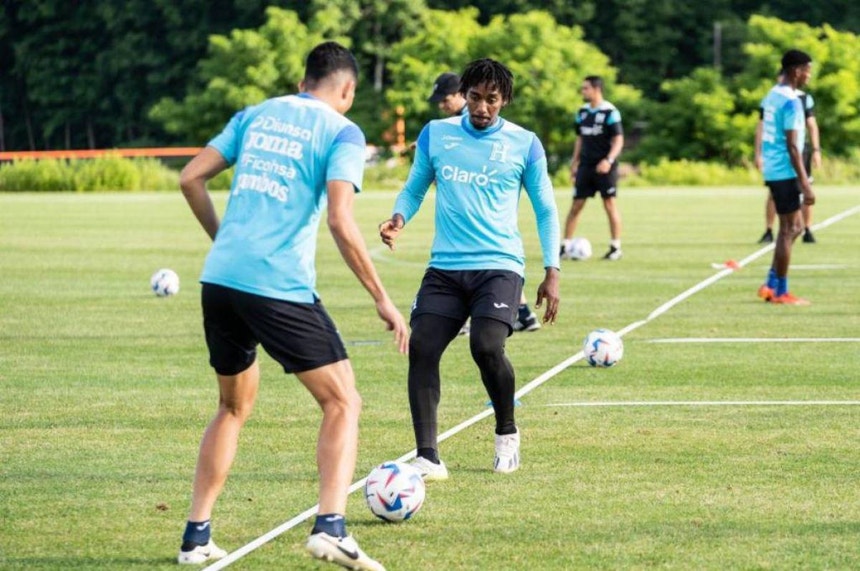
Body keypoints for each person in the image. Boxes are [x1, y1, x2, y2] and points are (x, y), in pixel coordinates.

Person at [176, 41, 408, 571]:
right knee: (343, 401)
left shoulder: (256, 115)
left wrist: (226, 240)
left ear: (304, 80)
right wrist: (382, 299)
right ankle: (331, 527)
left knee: (233, 407)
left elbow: (190, 177)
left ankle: (196, 537)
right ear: (346, 89)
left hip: (222, 279)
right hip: (276, 283)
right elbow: (341, 221)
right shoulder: (342, 131)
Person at [379, 58, 561, 481]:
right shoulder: (436, 134)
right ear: (464, 96)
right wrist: (398, 218)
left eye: (491, 100)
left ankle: (506, 431)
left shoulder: (525, 144)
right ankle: (427, 457)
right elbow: (415, 186)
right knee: (422, 346)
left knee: (486, 345)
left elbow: (546, 209)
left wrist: (551, 270)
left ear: (505, 101)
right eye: (475, 98)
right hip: (445, 267)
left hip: (499, 265)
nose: (482, 108)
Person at [428, 71, 541, 335]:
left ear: (459, 95)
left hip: (480, 222)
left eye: (445, 99)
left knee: (485, 266)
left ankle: (465, 319)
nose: (442, 105)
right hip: (478, 236)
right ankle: (523, 314)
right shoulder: (448, 130)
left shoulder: (470, 126)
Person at [757, 49, 816, 306]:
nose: (808, 76)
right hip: (785, 170)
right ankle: (780, 291)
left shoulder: (772, 95)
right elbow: (793, 146)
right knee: (789, 229)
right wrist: (805, 182)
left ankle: (771, 283)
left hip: (774, 168)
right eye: (807, 70)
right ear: (796, 71)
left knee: (795, 228)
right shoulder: (791, 101)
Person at [562, 75, 624, 261]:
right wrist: (574, 163)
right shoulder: (582, 112)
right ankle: (565, 246)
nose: (583, 92)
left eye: (585, 88)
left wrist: (609, 160)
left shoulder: (610, 112)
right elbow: (580, 138)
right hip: (586, 167)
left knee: (609, 204)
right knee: (576, 205)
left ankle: (615, 247)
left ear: (596, 89)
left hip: (605, 166)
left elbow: (619, 140)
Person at [755, 74, 822, 244]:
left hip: (799, 152)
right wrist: (758, 153)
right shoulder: (772, 99)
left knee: (805, 190)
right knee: (777, 197)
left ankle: (807, 228)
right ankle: (769, 229)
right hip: (781, 156)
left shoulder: (802, 98)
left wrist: (816, 150)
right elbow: (762, 126)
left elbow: (812, 125)